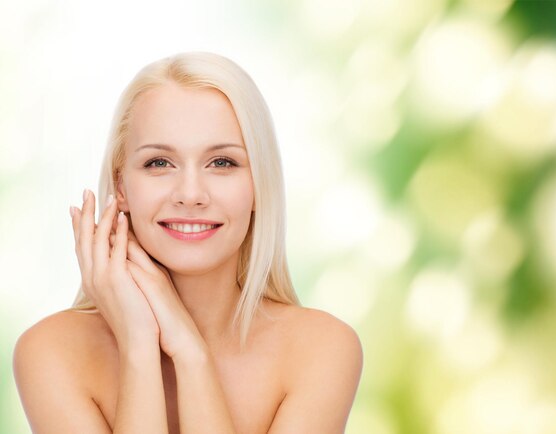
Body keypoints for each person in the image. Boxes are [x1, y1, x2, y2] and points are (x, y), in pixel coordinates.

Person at [13, 51, 363, 434]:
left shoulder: (322, 350)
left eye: (222, 163)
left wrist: (190, 352)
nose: (191, 194)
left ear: (259, 186)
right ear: (121, 187)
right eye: (159, 163)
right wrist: (139, 346)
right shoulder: (50, 352)